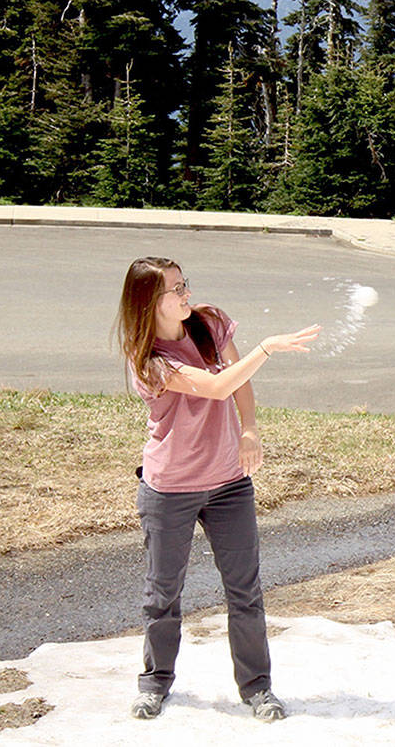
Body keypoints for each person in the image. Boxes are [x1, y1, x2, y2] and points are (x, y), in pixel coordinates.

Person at [115, 257, 320, 722]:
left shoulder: (207, 322)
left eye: (185, 285)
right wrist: (267, 347)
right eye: (176, 290)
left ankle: (258, 689)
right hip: (170, 487)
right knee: (162, 594)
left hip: (229, 482)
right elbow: (215, 385)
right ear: (149, 301)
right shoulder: (146, 358)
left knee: (245, 590)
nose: (186, 295)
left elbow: (237, 383)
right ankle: (155, 684)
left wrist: (249, 430)